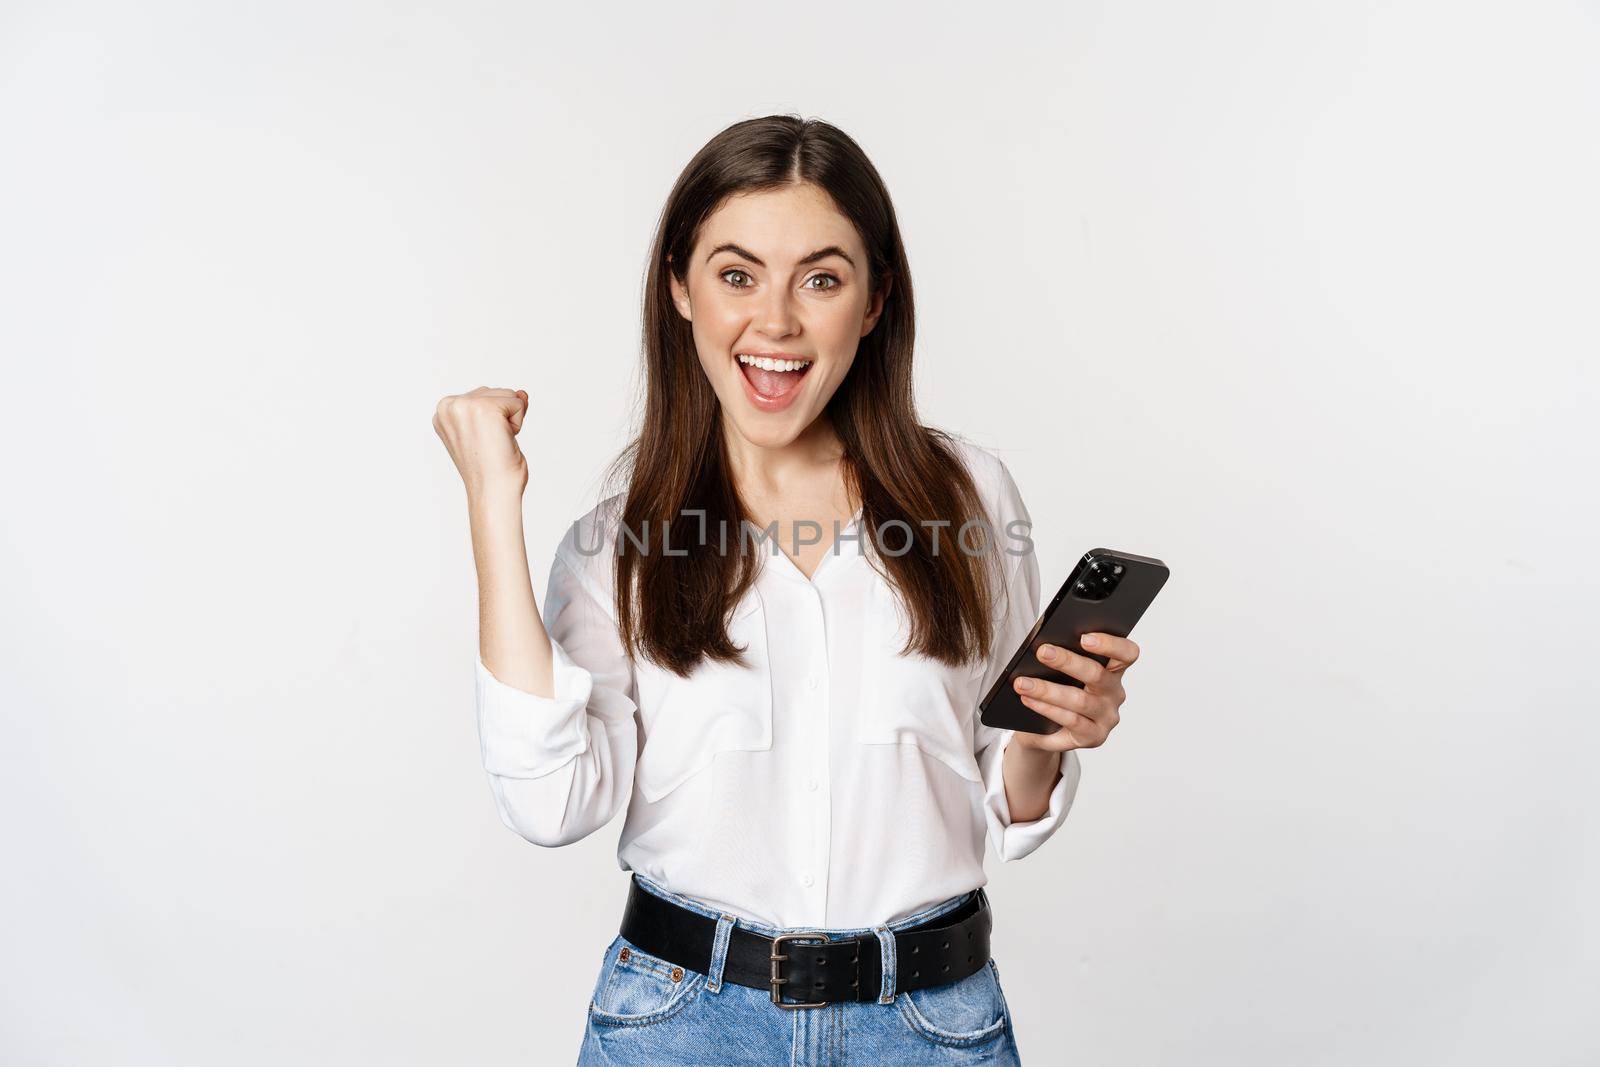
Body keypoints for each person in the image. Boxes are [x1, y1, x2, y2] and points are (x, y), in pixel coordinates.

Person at [432, 114, 1142, 1065]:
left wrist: (1047, 740)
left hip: (931, 1026)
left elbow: (1001, 786)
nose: (775, 322)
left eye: (821, 278)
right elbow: (551, 801)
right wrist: (492, 503)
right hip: (681, 1025)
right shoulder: (618, 543)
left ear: (875, 300)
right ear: (679, 288)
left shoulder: (967, 499)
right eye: (736, 276)